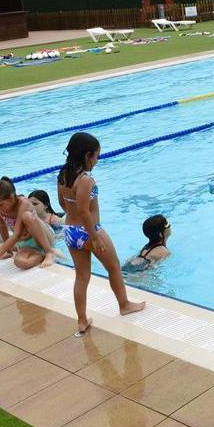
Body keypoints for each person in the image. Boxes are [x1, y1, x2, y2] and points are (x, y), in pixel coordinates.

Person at [56, 132, 145, 336]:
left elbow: (62, 203)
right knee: (113, 267)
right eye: (97, 156)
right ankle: (124, 305)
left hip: (70, 231)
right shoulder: (85, 180)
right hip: (90, 231)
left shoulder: (63, 175)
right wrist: (94, 237)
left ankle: (81, 320)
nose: (97, 161)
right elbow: (85, 212)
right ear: (87, 156)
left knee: (81, 277)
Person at [0, 177, 56, 272]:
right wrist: (8, 250)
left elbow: (16, 234)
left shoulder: (23, 204)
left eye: (0, 205)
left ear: (12, 198)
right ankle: (40, 255)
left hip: (43, 237)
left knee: (27, 216)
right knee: (21, 262)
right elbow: (2, 227)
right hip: (25, 243)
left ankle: (49, 252)